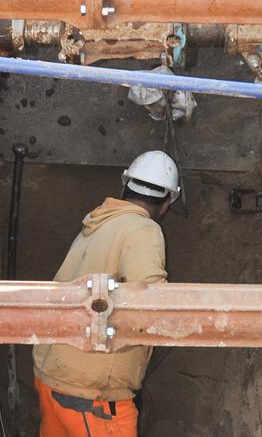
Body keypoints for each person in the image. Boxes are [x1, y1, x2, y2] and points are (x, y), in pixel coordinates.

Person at [33, 150, 180, 437]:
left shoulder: (96, 224)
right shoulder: (143, 229)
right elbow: (151, 300)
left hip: (54, 374)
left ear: (124, 187)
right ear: (166, 205)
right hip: (92, 393)